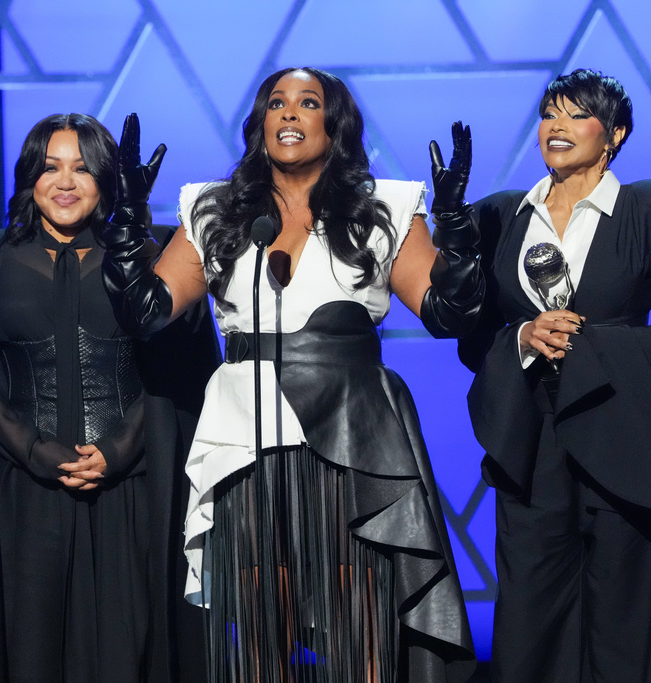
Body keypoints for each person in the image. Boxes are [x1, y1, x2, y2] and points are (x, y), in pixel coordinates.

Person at [101, 68, 481, 682]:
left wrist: (455, 225)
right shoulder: (217, 211)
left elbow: (448, 312)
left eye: (308, 103)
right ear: (260, 124)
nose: (290, 113)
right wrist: (128, 220)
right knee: (259, 624)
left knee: (359, 622)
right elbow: (146, 312)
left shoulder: (383, 208)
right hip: (248, 435)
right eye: (276, 103)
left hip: (353, 438)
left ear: (335, 127)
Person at [0, 113, 219, 682]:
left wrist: (116, 451)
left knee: (129, 654)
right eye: (50, 167)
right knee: (28, 655)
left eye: (82, 168)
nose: (65, 182)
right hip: (20, 494)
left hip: (132, 492)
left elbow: (183, 378)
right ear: (29, 177)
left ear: (107, 179)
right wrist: (37, 451)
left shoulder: (156, 257)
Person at [458, 69, 651, 682]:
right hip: (532, 440)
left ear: (615, 135)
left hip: (625, 430)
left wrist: (594, 346)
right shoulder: (501, 216)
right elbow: (472, 338)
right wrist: (522, 337)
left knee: (628, 626)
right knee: (532, 624)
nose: (558, 126)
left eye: (577, 115)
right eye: (550, 113)